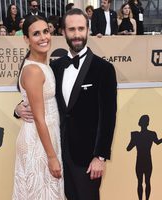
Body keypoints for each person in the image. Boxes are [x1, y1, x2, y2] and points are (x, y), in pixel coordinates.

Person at [15, 8, 117, 200]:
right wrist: (18, 109)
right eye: (71, 29)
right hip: (58, 151)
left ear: (88, 30)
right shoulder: (55, 66)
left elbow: (109, 117)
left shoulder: (104, 69)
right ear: (63, 32)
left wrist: (100, 157)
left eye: (81, 28)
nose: (77, 34)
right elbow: (35, 96)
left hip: (87, 158)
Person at [12, 15, 65, 200]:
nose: (43, 37)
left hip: (47, 138)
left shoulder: (43, 65)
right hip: (38, 143)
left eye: (46, 31)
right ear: (26, 39)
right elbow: (39, 118)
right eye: (36, 34)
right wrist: (51, 157)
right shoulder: (33, 70)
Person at [127, 115, 162, 200]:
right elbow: (157, 142)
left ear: (140, 123)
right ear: (147, 123)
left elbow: (128, 148)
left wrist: (133, 138)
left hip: (140, 161)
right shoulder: (151, 134)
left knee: (141, 182)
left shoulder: (136, 135)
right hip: (147, 160)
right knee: (147, 182)